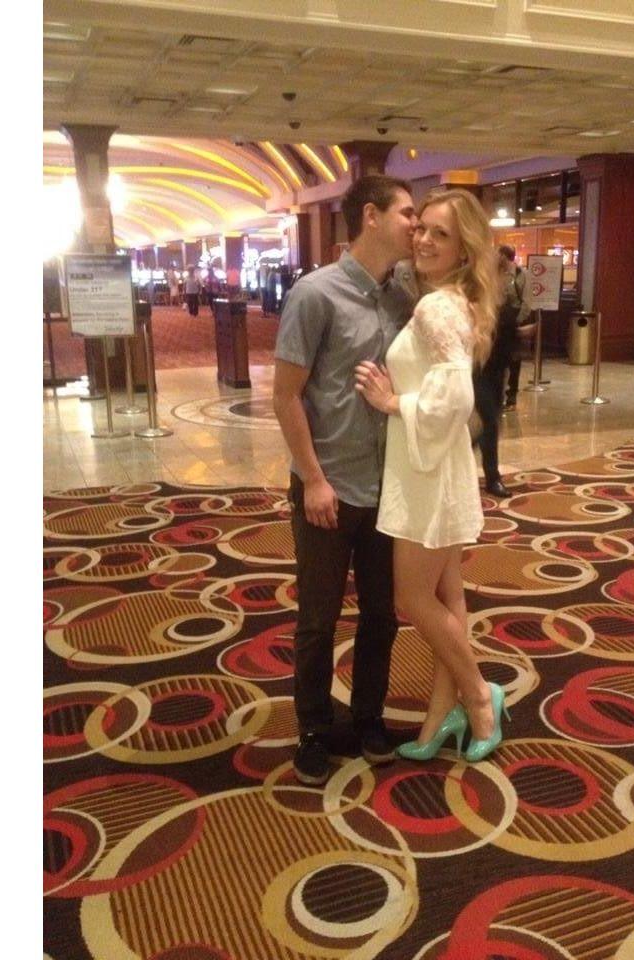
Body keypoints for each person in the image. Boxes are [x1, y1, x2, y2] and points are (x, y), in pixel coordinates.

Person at [354, 188, 510, 765]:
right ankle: (440, 716)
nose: (422, 239)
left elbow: (455, 396)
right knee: (448, 595)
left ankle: (478, 696)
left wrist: (393, 402)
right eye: (421, 227)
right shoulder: (452, 301)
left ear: (464, 250)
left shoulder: (435, 308)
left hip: (426, 470)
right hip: (438, 465)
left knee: (413, 597)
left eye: (440, 234)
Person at [273, 174, 419, 786]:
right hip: (328, 487)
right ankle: (312, 727)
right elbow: (285, 396)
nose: (416, 225)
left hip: (388, 487)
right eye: (407, 213)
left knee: (382, 615)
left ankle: (367, 718)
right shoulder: (316, 295)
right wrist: (313, 479)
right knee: (319, 616)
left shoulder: (404, 296)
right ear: (371, 216)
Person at [471, 244, 533, 497]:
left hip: (496, 368)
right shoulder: (473, 298)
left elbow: (506, 328)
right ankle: (491, 476)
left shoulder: (501, 297)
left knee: (490, 421)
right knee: (487, 421)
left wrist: (519, 334)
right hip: (476, 369)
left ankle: (489, 474)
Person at [499, 246, 534, 410]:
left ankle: (511, 397)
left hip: (514, 320)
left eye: (497, 254)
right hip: (499, 320)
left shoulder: (521, 274)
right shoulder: (497, 274)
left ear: (504, 256)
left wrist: (517, 322)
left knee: (513, 360)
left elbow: (527, 302)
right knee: (498, 360)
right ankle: (498, 395)